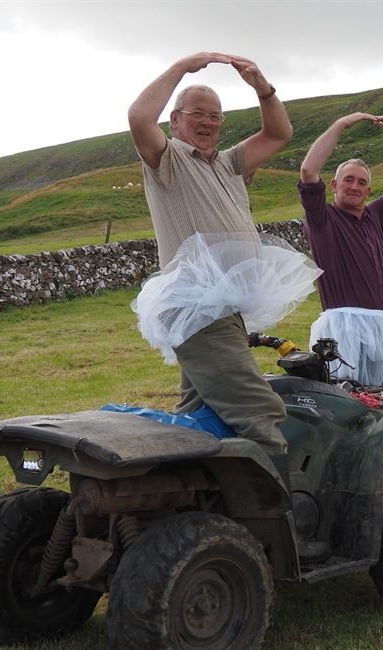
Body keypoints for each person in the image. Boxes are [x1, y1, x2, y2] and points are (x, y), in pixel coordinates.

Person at [128, 52, 321, 464]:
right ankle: (278, 519)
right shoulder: (168, 160)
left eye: (215, 116)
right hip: (197, 306)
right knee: (261, 413)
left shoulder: (229, 163)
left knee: (200, 413)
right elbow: (139, 116)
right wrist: (183, 66)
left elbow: (278, 133)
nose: (208, 123)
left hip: (226, 308)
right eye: (198, 114)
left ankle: (188, 507)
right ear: (175, 120)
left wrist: (263, 88)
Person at [298, 113, 383, 389]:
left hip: (382, 326)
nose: (355, 186)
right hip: (343, 327)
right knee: (348, 399)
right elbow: (309, 172)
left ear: (368, 190)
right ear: (334, 185)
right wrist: (341, 124)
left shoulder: (377, 215)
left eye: (362, 182)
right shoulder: (323, 219)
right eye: (348, 180)